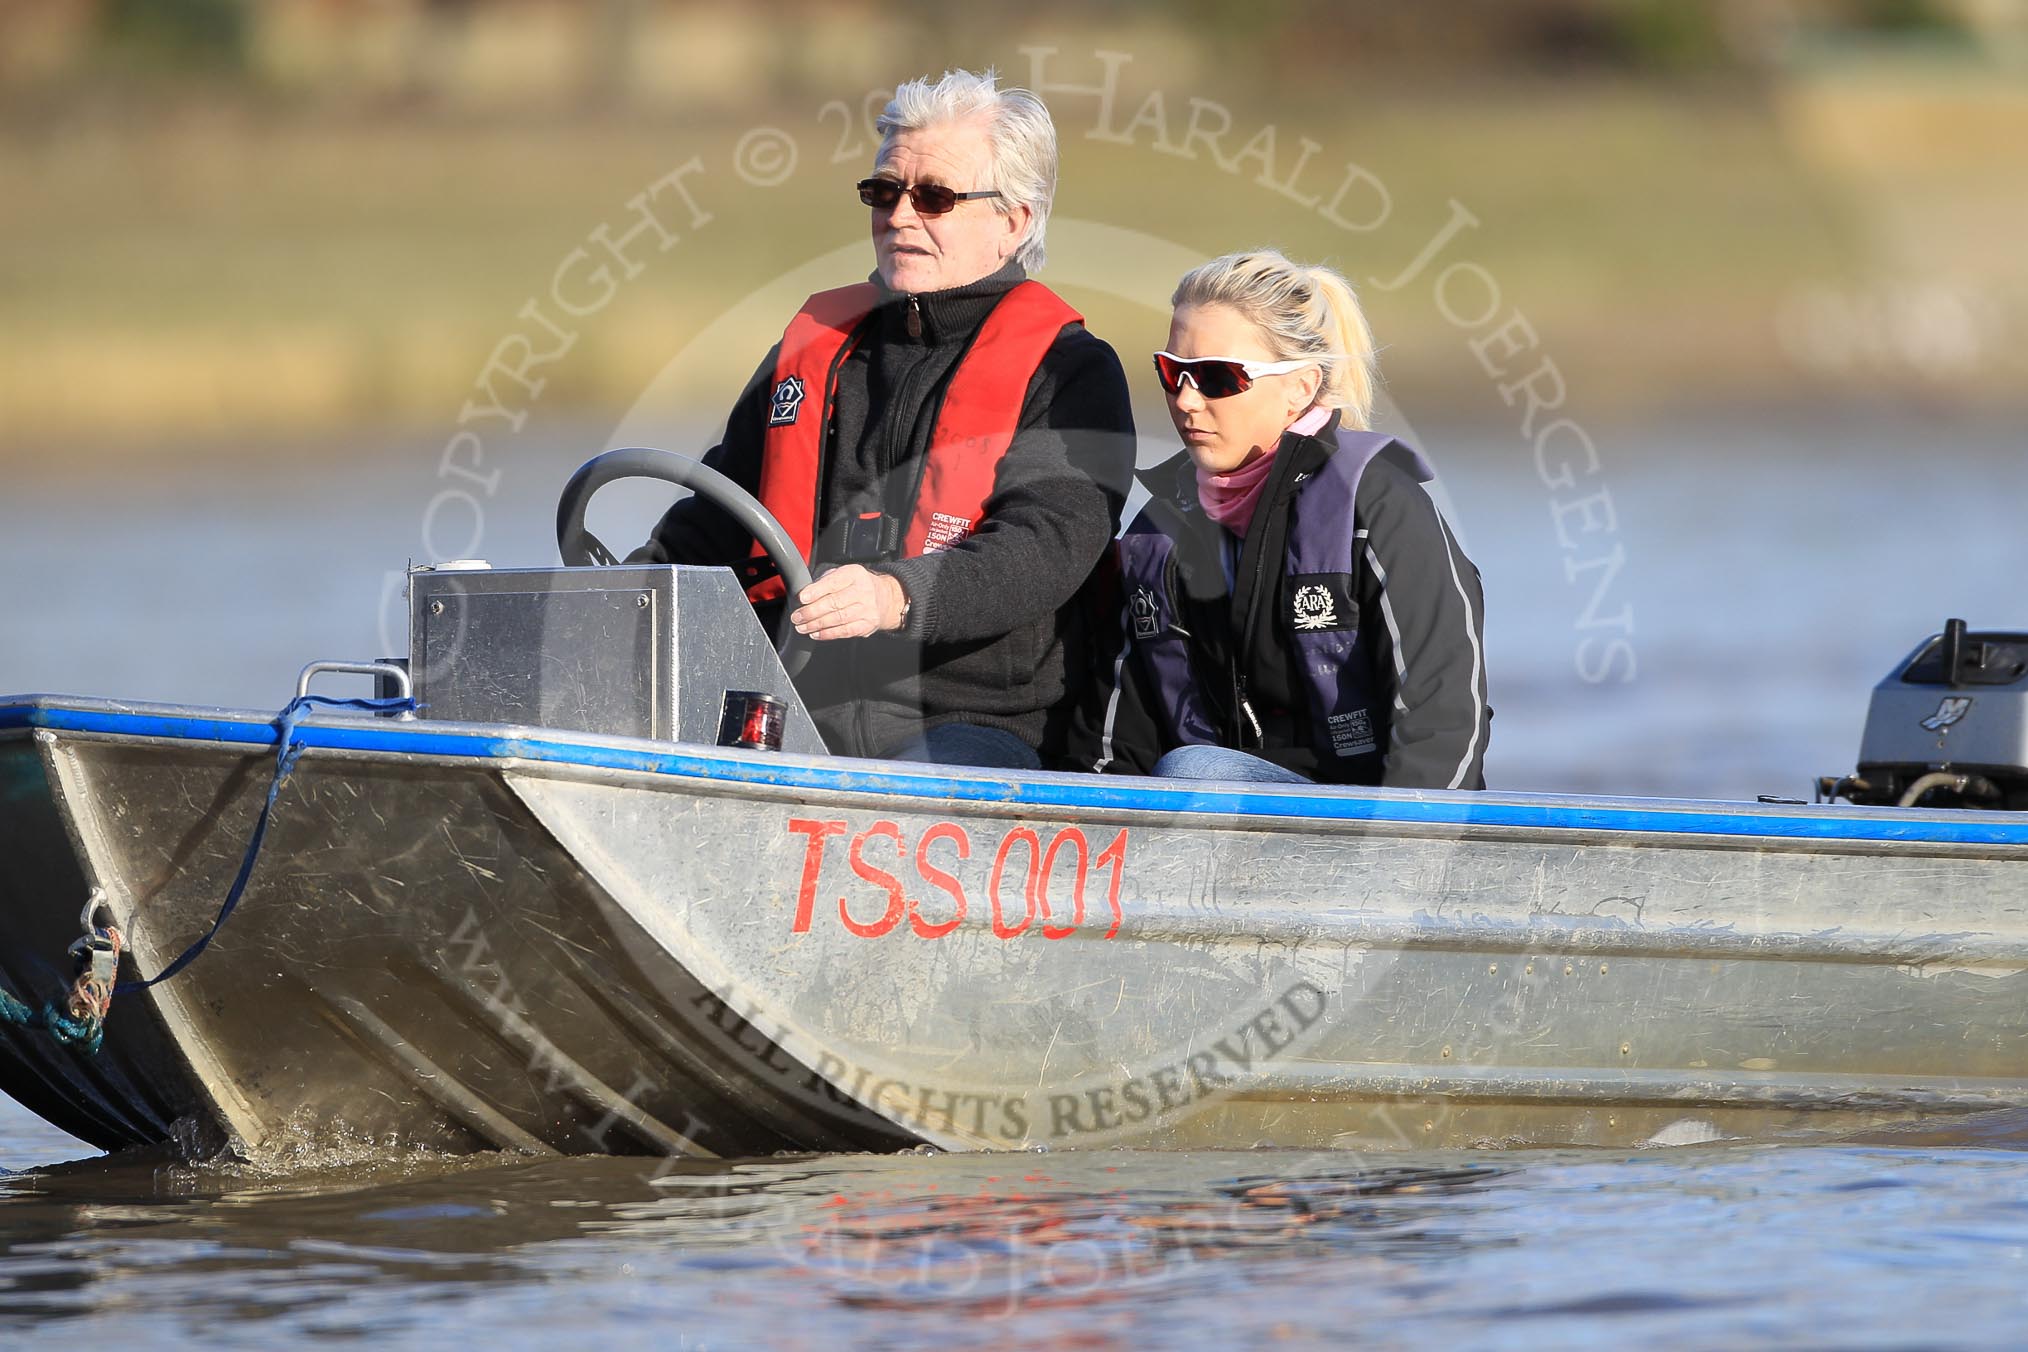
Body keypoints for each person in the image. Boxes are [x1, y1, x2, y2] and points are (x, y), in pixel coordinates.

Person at [630, 70, 1134, 769]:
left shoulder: (1070, 369)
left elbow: (1046, 545)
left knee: (934, 773)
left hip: (976, 723)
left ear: (1014, 220)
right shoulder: (812, 351)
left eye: (934, 198)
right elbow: (714, 523)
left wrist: (897, 595)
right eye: (884, 192)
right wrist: (614, 600)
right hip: (791, 705)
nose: (900, 215)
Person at [1074, 249, 1490, 788]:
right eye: (1171, 371)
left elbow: (1446, 722)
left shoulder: (1381, 506)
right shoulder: (1156, 533)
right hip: (1217, 832)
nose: (1185, 399)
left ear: (1300, 386)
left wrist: (1397, 864)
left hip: (1376, 829)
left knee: (1196, 771)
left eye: (1217, 378)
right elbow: (1110, 747)